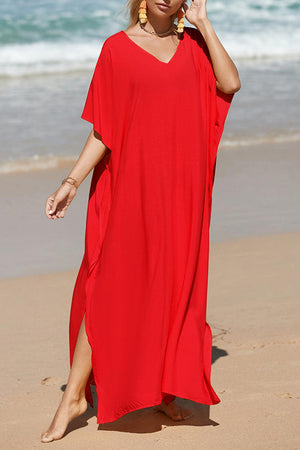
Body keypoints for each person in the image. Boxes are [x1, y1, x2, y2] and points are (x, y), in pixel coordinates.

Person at [41, 0, 240, 443]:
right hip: (132, 186)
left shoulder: (196, 46)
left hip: (184, 191)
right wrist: (72, 181)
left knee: (174, 287)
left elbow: (230, 83)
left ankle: (165, 389)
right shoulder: (117, 48)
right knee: (111, 283)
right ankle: (74, 395)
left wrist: (204, 24)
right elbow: (104, 129)